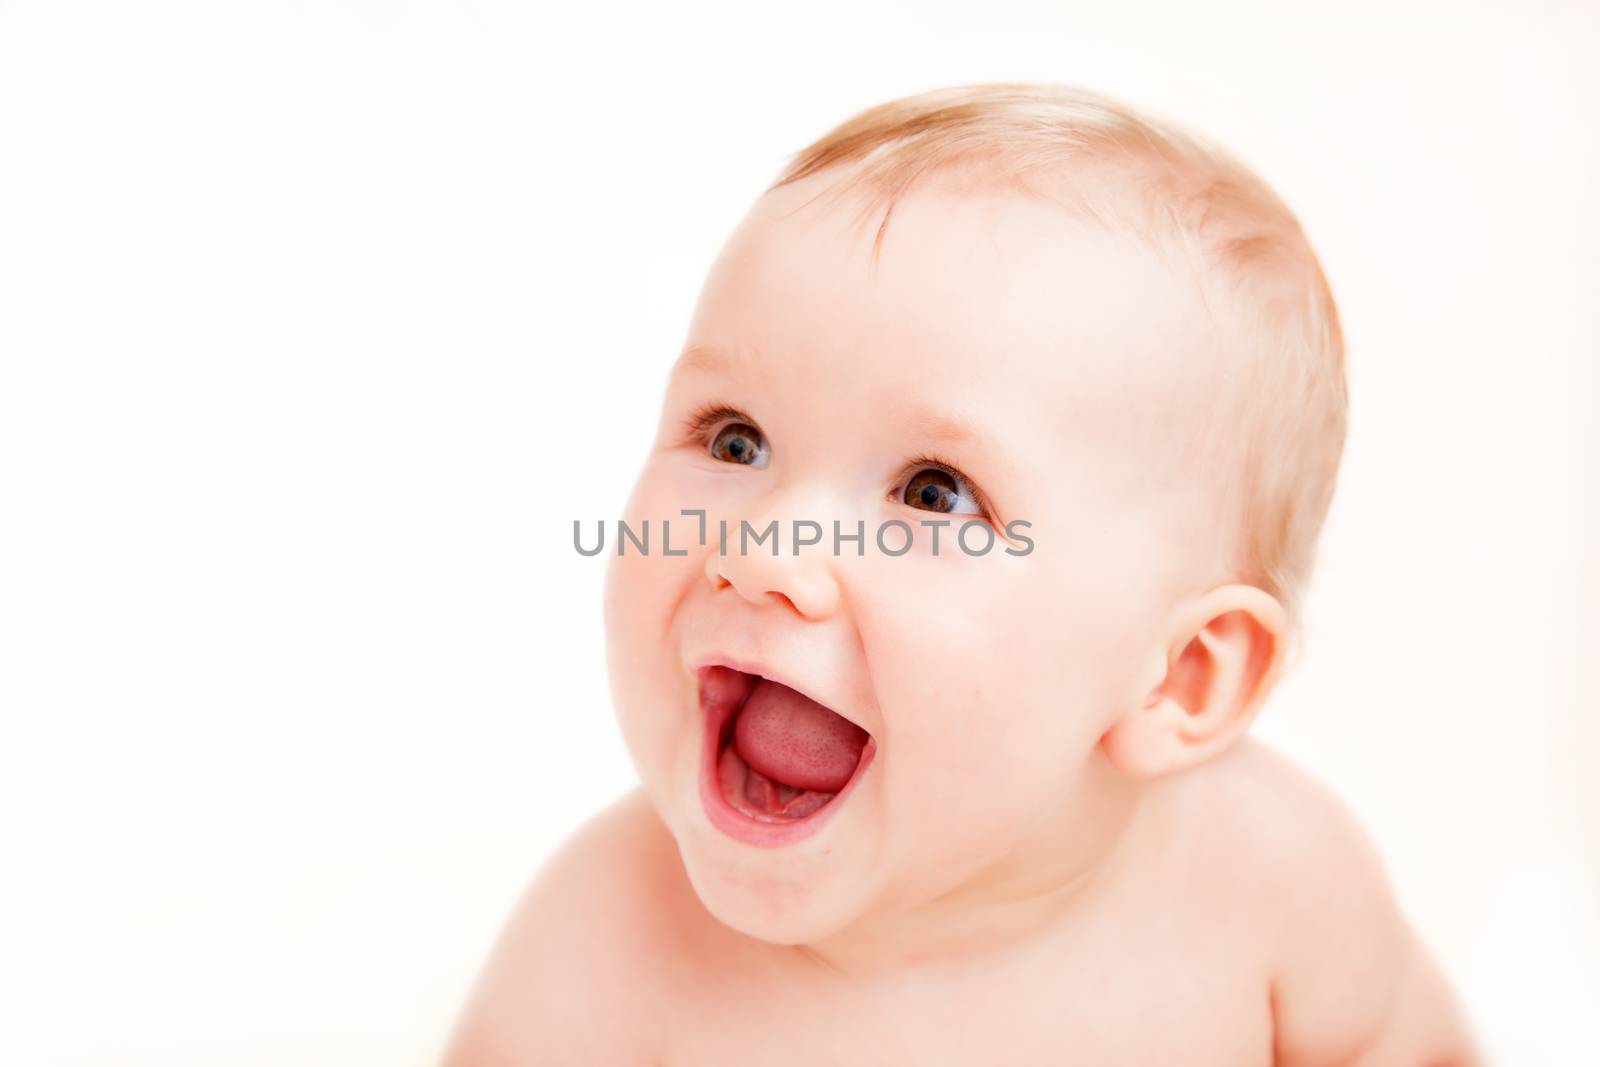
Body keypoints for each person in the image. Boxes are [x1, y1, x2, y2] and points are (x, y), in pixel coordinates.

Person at [442, 82, 1479, 1065]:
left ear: (1179, 678)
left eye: (933, 492)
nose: (761, 553)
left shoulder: (1271, 878)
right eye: (735, 438)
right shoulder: (606, 946)